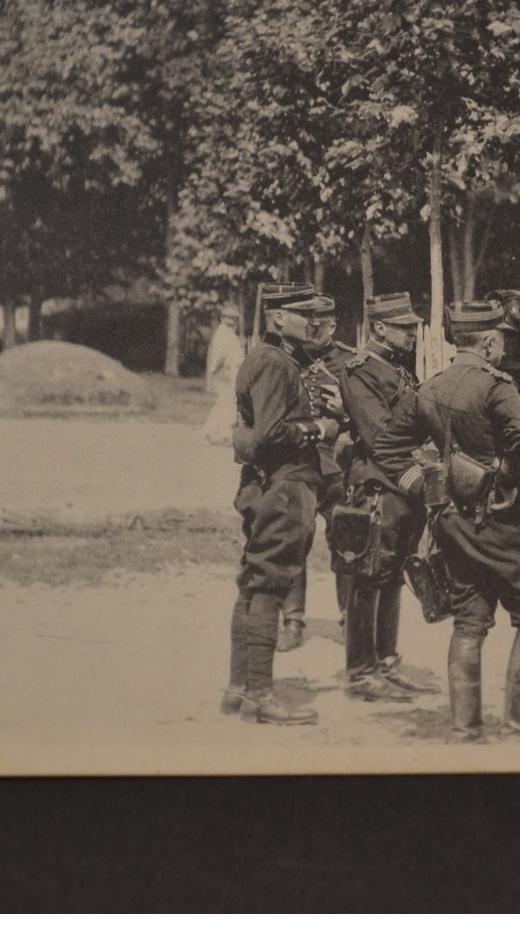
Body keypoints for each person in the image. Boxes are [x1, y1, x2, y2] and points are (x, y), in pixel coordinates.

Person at [372, 300, 520, 742]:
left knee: (470, 620)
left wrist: (424, 485)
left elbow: (387, 448)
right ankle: (517, 729)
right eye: (500, 339)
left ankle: (465, 729)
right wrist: (506, 480)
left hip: (452, 522)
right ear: (490, 341)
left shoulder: (430, 387)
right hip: (503, 522)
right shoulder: (497, 386)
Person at [221, 282, 342, 725]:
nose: (312, 321)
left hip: (266, 485)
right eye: (302, 313)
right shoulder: (275, 363)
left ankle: (238, 691)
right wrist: (320, 430)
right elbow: (271, 433)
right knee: (268, 587)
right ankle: (261, 695)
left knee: (253, 584)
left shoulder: (267, 358)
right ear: (276, 318)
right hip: (286, 487)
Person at [333, 291, 437, 702]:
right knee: (368, 573)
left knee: (392, 572)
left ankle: (386, 663)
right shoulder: (359, 371)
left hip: (400, 484)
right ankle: (361, 672)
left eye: (412, 326)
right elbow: (380, 437)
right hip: (378, 483)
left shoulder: (395, 368)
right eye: (404, 327)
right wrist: (415, 470)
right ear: (378, 328)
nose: (412, 333)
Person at [278, 302, 356, 652]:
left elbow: (370, 415)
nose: (311, 332)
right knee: (295, 539)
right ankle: (292, 620)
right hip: (300, 465)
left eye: (318, 326)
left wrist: (346, 412)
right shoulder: (286, 359)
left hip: (339, 466)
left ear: (333, 326)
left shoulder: (350, 363)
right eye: (307, 325)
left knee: (348, 541)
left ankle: (350, 619)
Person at [200, 302, 247, 444]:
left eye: (233, 319)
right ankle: (216, 433)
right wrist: (222, 371)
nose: (231, 321)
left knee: (226, 403)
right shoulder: (222, 333)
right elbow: (220, 356)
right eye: (228, 318)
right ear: (222, 318)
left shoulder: (229, 333)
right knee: (227, 403)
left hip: (233, 371)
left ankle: (216, 432)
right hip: (226, 371)